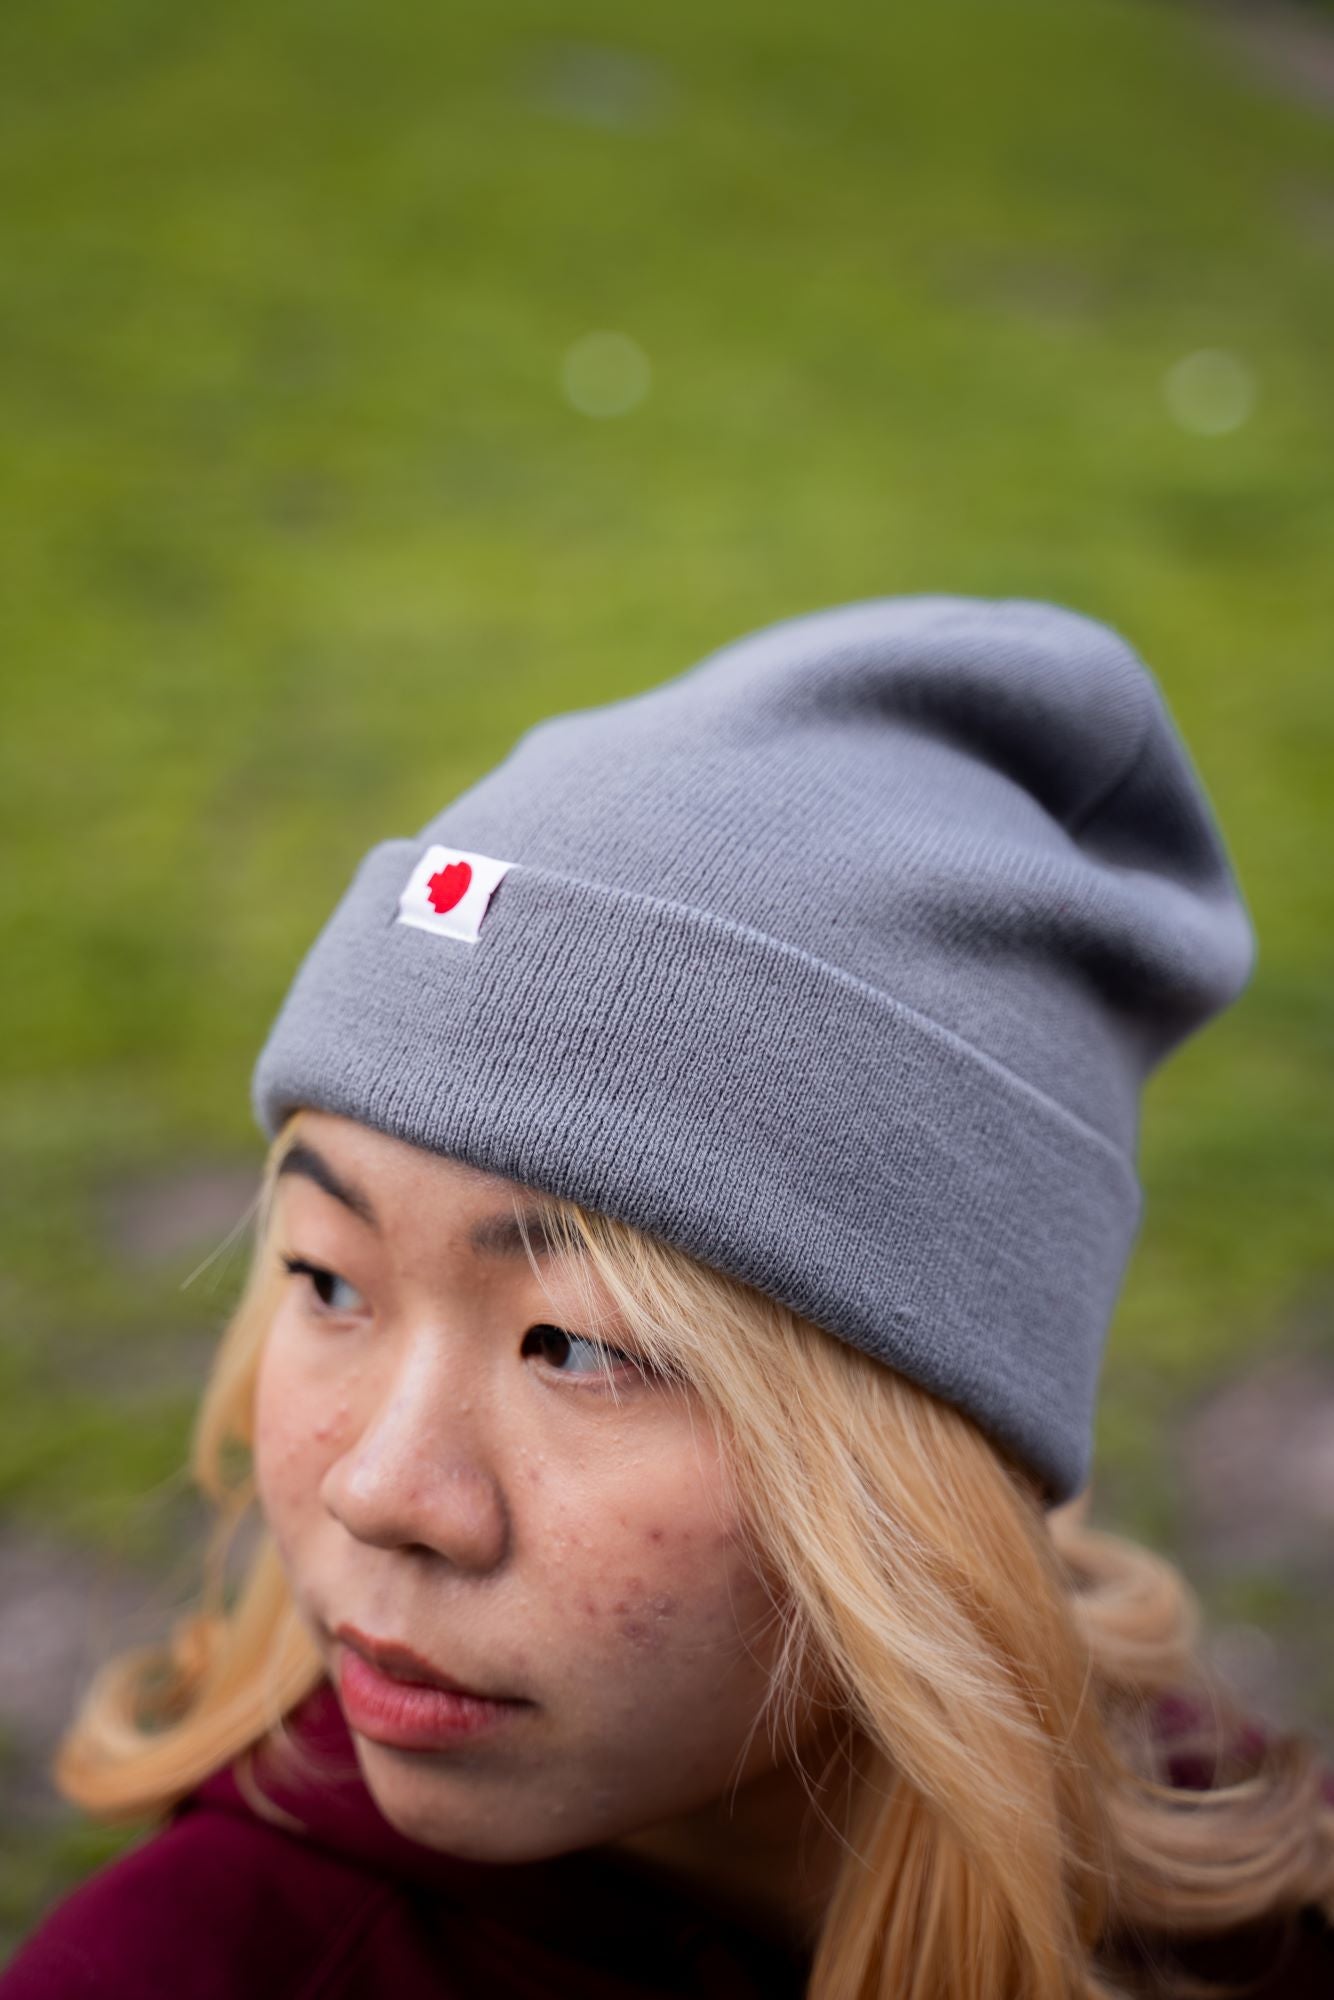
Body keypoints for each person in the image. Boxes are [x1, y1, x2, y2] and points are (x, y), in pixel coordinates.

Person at [3, 595, 1331, 1998]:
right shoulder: (178, 1972)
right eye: (330, 1280)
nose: (382, 1494)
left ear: (928, 1451)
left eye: (574, 1343)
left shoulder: (1237, 1911)